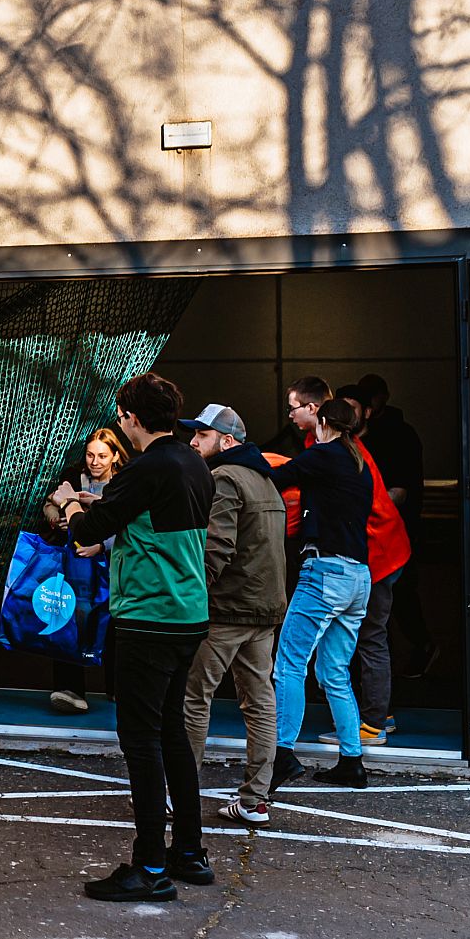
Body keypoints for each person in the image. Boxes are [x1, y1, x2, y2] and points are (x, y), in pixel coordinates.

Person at [51, 372, 213, 903]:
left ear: (133, 418)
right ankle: (188, 851)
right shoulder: (194, 462)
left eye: (122, 414)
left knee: (141, 739)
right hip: (188, 612)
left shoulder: (145, 468)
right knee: (170, 733)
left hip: (148, 614)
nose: (120, 421)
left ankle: (149, 865)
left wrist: (72, 501)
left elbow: (87, 531)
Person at [177, 404, 287, 826]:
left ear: (225, 441)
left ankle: (178, 795)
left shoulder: (223, 478)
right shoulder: (265, 479)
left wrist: (189, 596)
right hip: (264, 609)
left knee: (193, 699)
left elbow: (215, 549)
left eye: (201, 435)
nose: (192, 441)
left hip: (226, 609)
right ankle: (255, 799)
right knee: (259, 702)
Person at [268, 395, 376, 790]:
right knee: (334, 671)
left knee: (288, 664)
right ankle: (352, 761)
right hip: (357, 577)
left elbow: (279, 476)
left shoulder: (326, 453)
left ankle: (281, 753)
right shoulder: (357, 461)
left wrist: (238, 455)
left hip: (325, 572)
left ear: (324, 420)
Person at [41, 427, 127, 714]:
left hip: (112, 566)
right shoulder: (73, 477)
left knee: (113, 623)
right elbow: (50, 503)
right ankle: (70, 691)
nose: (95, 461)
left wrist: (100, 546)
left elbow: (128, 524)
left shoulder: (124, 484)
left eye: (102, 455)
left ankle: (117, 690)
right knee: (68, 618)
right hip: (75, 564)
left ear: (115, 456)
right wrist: (57, 520)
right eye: (91, 455)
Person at [357, 374, 434, 679]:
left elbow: (399, 490)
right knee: (384, 607)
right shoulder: (372, 437)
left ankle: (419, 646)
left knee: (393, 600)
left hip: (395, 529)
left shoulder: (396, 435)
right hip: (384, 530)